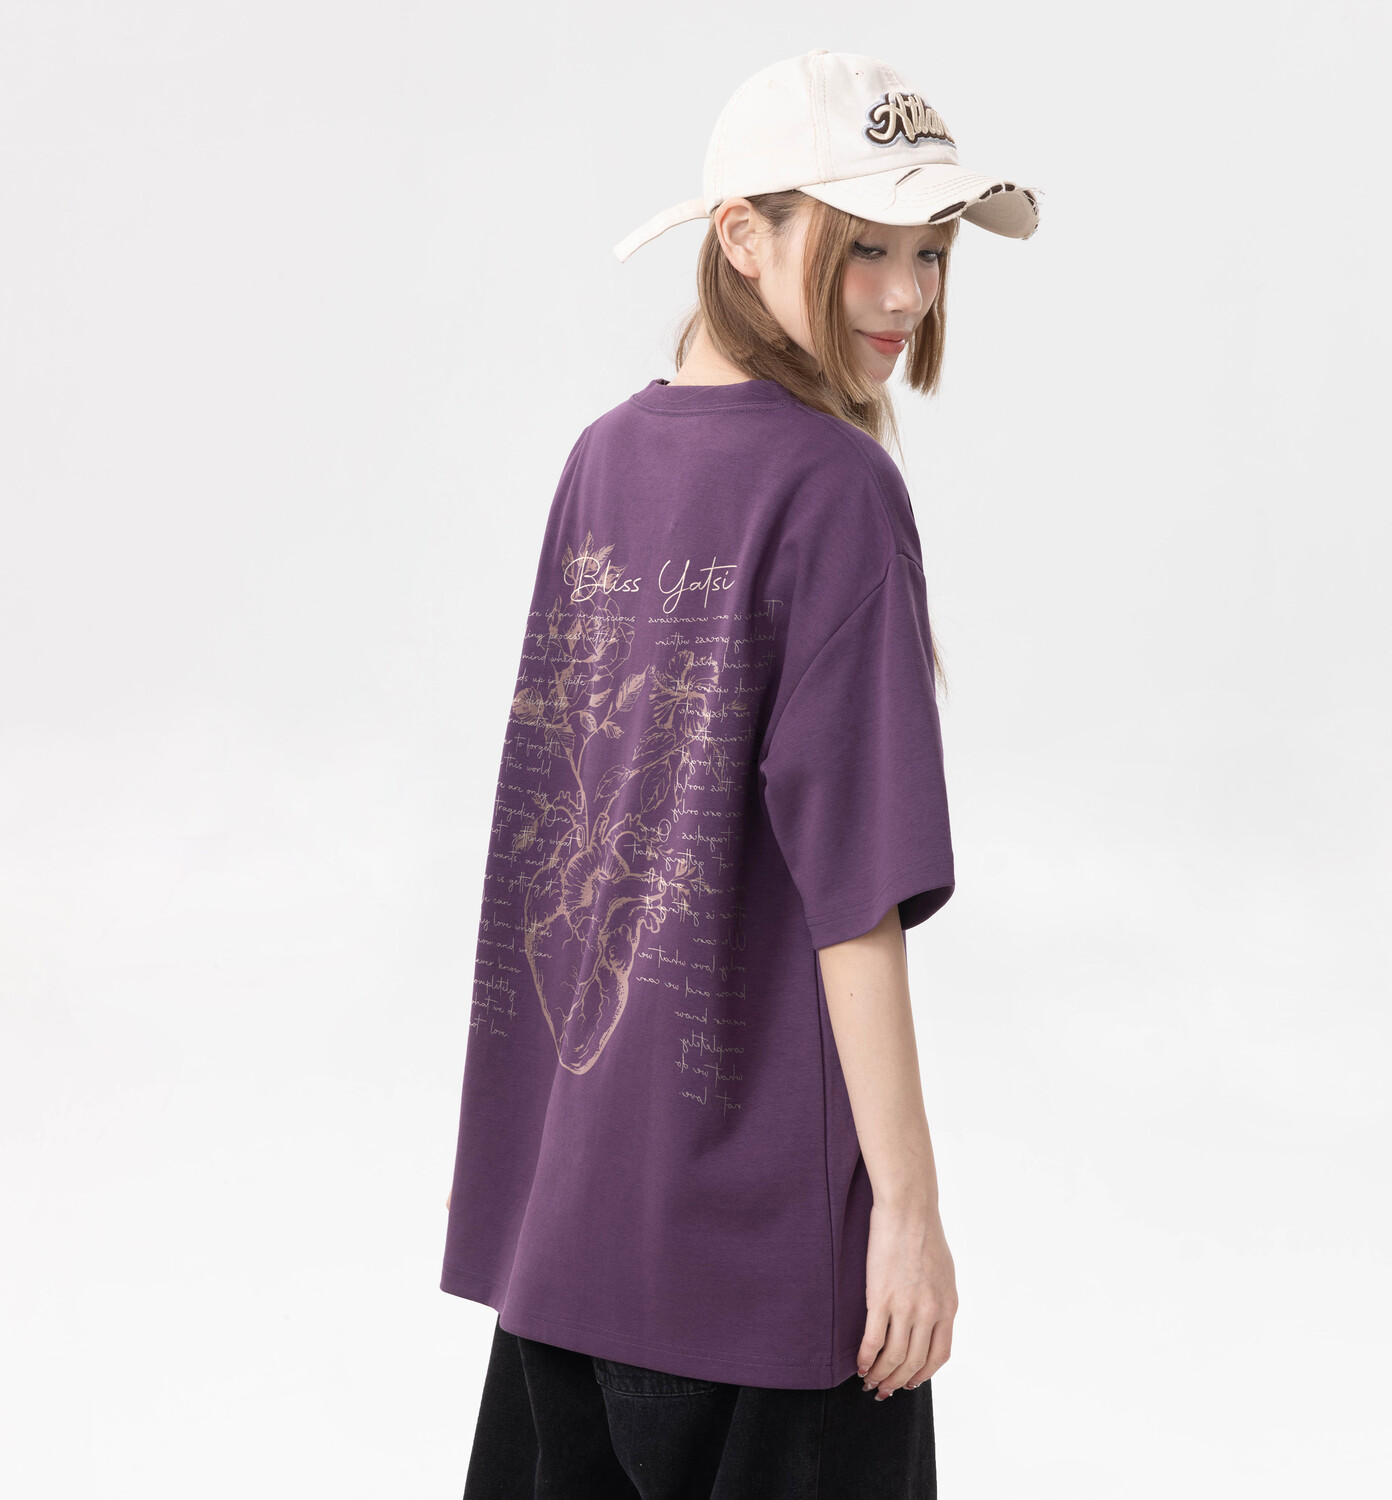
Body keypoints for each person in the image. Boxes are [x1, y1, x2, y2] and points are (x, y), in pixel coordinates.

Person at [441, 47, 1042, 1499]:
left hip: (570, 1235)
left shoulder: (601, 459)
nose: (907, 295)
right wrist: (907, 1214)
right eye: (866, 249)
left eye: (931, 252)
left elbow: (555, 842)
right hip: (766, 1273)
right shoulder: (838, 490)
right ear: (743, 236)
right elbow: (856, 896)